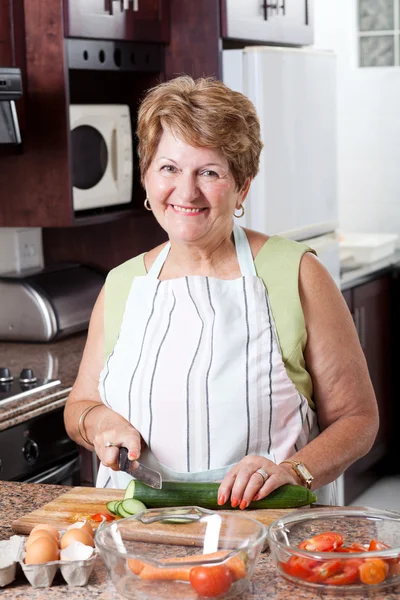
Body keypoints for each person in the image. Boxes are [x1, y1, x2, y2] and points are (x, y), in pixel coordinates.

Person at [64, 76, 378, 507]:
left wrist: (293, 472)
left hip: (266, 534)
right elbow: (80, 403)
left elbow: (357, 419)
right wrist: (98, 422)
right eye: (169, 168)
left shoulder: (296, 273)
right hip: (136, 540)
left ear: (242, 186)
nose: (186, 191)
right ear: (147, 178)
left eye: (208, 172)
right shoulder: (123, 284)